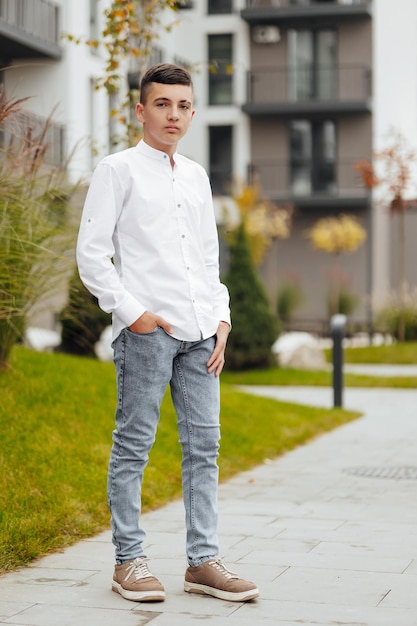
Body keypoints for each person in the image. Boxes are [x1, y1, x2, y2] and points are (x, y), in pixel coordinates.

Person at [76, 63, 259, 604]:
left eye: (182, 105)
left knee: (205, 447)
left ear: (193, 111)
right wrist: (134, 313)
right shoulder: (117, 170)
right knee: (134, 444)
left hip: (202, 333)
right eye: (162, 104)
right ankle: (128, 561)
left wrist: (222, 318)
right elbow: (92, 254)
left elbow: (207, 256)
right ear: (141, 110)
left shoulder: (197, 176)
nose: (173, 114)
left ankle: (203, 562)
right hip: (149, 332)